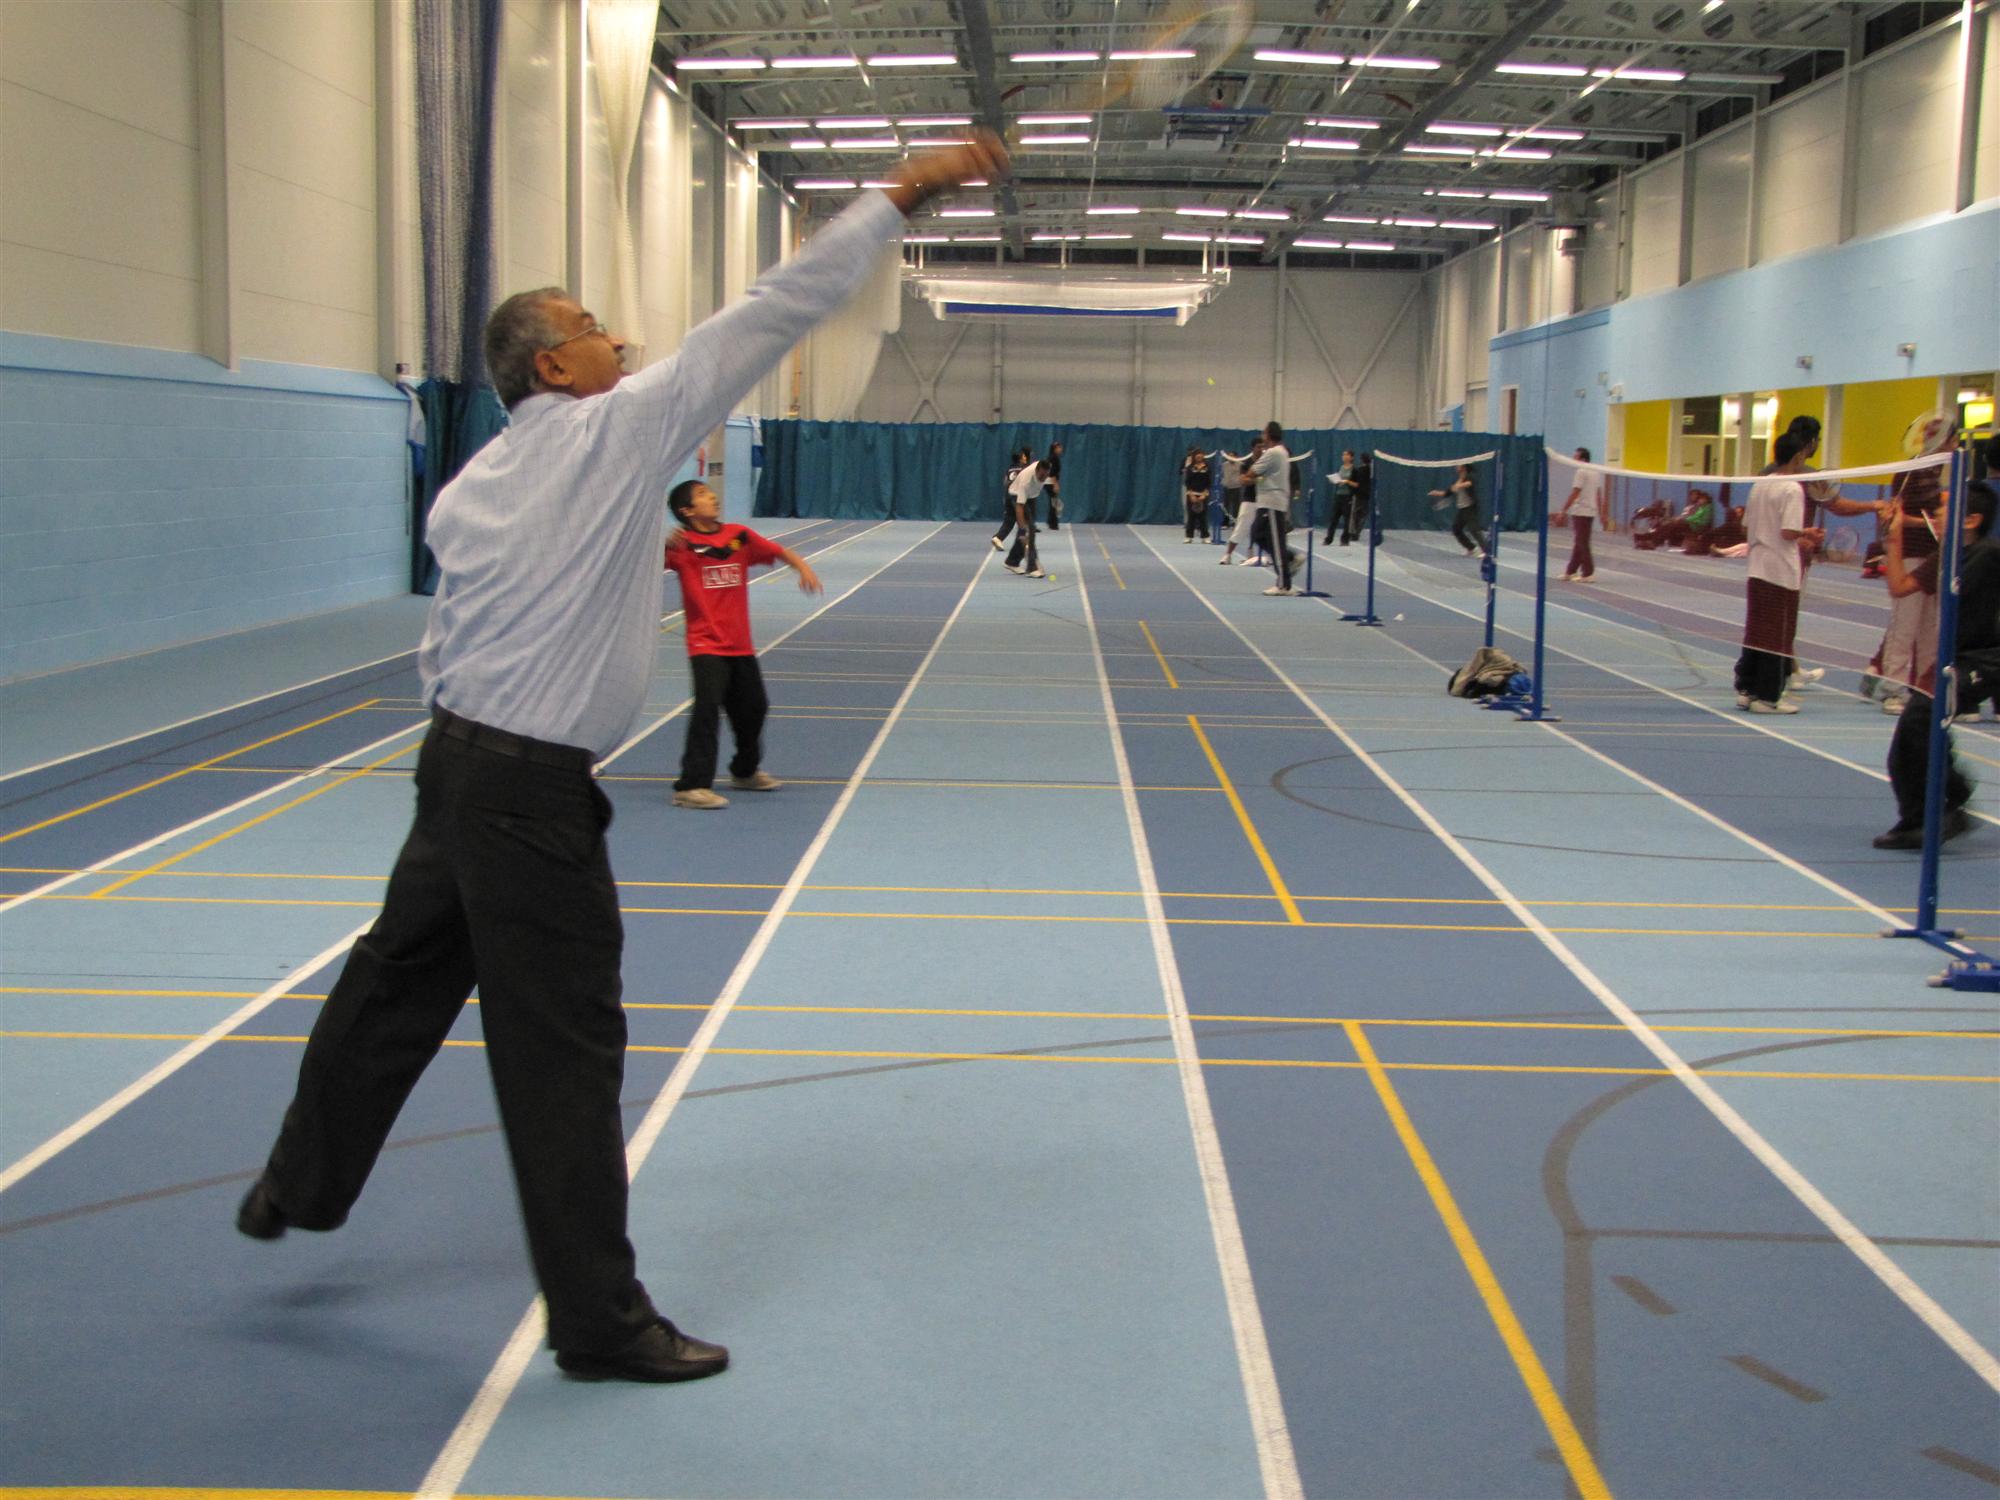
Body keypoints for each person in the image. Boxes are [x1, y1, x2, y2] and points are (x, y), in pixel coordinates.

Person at [231, 134, 1008, 1385]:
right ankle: (597, 1323)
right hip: (528, 798)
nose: (618, 342)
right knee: (563, 1056)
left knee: (391, 988)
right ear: (555, 365)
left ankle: (295, 1186)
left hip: (454, 766)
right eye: (595, 328)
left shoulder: (471, 485)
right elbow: (772, 310)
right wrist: (900, 195)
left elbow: (452, 638)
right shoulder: (611, 435)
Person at [663, 480, 822, 810]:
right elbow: (637, 561)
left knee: (754, 708)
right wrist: (661, 541)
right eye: (704, 495)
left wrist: (803, 567)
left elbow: (778, 551)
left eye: (711, 492)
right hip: (705, 645)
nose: (713, 497)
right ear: (687, 511)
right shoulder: (681, 546)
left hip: (741, 645)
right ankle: (691, 786)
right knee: (707, 711)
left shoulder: (738, 537)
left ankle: (744, 772)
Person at [1873, 481, 1998, 849]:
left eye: (1945, 510)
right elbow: (1900, 586)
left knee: (1920, 722)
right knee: (1906, 743)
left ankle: (1950, 802)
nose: (1937, 515)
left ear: (1972, 519)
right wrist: (1893, 539)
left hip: (1984, 660)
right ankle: (1921, 817)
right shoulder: (1945, 556)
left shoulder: (1989, 555)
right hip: (1947, 659)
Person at [1731, 430, 1823, 713]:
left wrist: (1798, 534)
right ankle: (1768, 697)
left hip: (1757, 568)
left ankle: (1746, 689)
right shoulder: (1792, 488)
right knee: (1777, 635)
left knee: (1755, 631)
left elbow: (1749, 525)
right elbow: (1787, 530)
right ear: (1798, 456)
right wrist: (1806, 532)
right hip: (1780, 571)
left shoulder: (1760, 485)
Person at [1244, 421, 1297, 596]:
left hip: (1273, 503)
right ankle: (1290, 557)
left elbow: (1251, 473)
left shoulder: (1274, 452)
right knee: (1257, 534)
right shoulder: (1281, 452)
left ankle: (1283, 585)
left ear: (1269, 435)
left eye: (1264, 433)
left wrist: (1248, 477)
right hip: (1266, 501)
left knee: (1276, 542)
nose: (1262, 436)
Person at [1559, 447, 1602, 581]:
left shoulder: (1581, 472)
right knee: (1580, 541)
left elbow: (1576, 492)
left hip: (1581, 510)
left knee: (1582, 542)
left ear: (1582, 459)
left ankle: (1588, 573)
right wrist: (1601, 512)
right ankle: (1570, 571)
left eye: (1576, 457)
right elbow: (1598, 494)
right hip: (1590, 511)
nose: (1573, 459)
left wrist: (1563, 510)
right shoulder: (1595, 472)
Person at [1004, 457, 1051, 578]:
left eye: (1046, 475)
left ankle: (1012, 561)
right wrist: (1022, 529)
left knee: (1027, 531)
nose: (1043, 478)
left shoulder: (1044, 471)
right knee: (1028, 531)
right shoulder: (1026, 481)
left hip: (1030, 497)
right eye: (1041, 475)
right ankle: (1031, 568)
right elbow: (1019, 506)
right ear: (1037, 470)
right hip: (1015, 496)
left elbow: (1048, 480)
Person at [1432, 463, 1488, 556]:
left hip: (1470, 508)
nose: (1456, 467)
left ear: (1463, 467)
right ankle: (1471, 548)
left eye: (1458, 465)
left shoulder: (1469, 477)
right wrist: (1437, 493)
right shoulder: (1458, 480)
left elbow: (1469, 484)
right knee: (1456, 529)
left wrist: (1459, 486)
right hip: (1462, 509)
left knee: (1474, 529)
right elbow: (1448, 492)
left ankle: (1486, 551)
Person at [991, 446, 1031, 550]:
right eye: (1024, 457)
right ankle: (1024, 543)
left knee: (1009, 520)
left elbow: (1005, 483)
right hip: (1017, 498)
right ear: (1020, 459)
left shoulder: (1009, 469)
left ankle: (998, 538)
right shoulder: (1023, 469)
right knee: (1024, 520)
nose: (1025, 458)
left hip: (1008, 496)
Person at [1326, 449, 1358, 545]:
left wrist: (1347, 481)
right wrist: (1334, 480)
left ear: (1351, 457)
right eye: (1343, 455)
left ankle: (1344, 540)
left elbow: (1356, 484)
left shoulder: (1354, 469)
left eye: (1347, 455)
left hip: (1348, 497)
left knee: (1347, 519)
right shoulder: (1340, 467)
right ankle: (1328, 539)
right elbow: (1338, 479)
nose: (1344, 456)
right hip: (1338, 495)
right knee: (1333, 519)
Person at [1181, 444, 1212, 543]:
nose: (1199, 456)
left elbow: (1209, 482)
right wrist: (1191, 495)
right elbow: (1187, 482)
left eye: (1201, 454)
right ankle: (1189, 536)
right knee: (1191, 516)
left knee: (1203, 516)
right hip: (1192, 495)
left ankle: (1205, 536)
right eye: (1197, 455)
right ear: (1194, 456)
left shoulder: (1207, 467)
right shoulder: (1190, 467)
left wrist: (1204, 494)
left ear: (1203, 456)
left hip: (1203, 494)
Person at [1044, 439, 1065, 530]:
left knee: (1053, 502)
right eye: (1059, 447)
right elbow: (1052, 473)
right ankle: (1053, 523)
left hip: (1048, 482)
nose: (1061, 449)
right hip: (1050, 482)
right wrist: (1055, 484)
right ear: (1055, 448)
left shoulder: (1052, 457)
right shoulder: (1054, 458)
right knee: (1055, 503)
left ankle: (1050, 521)